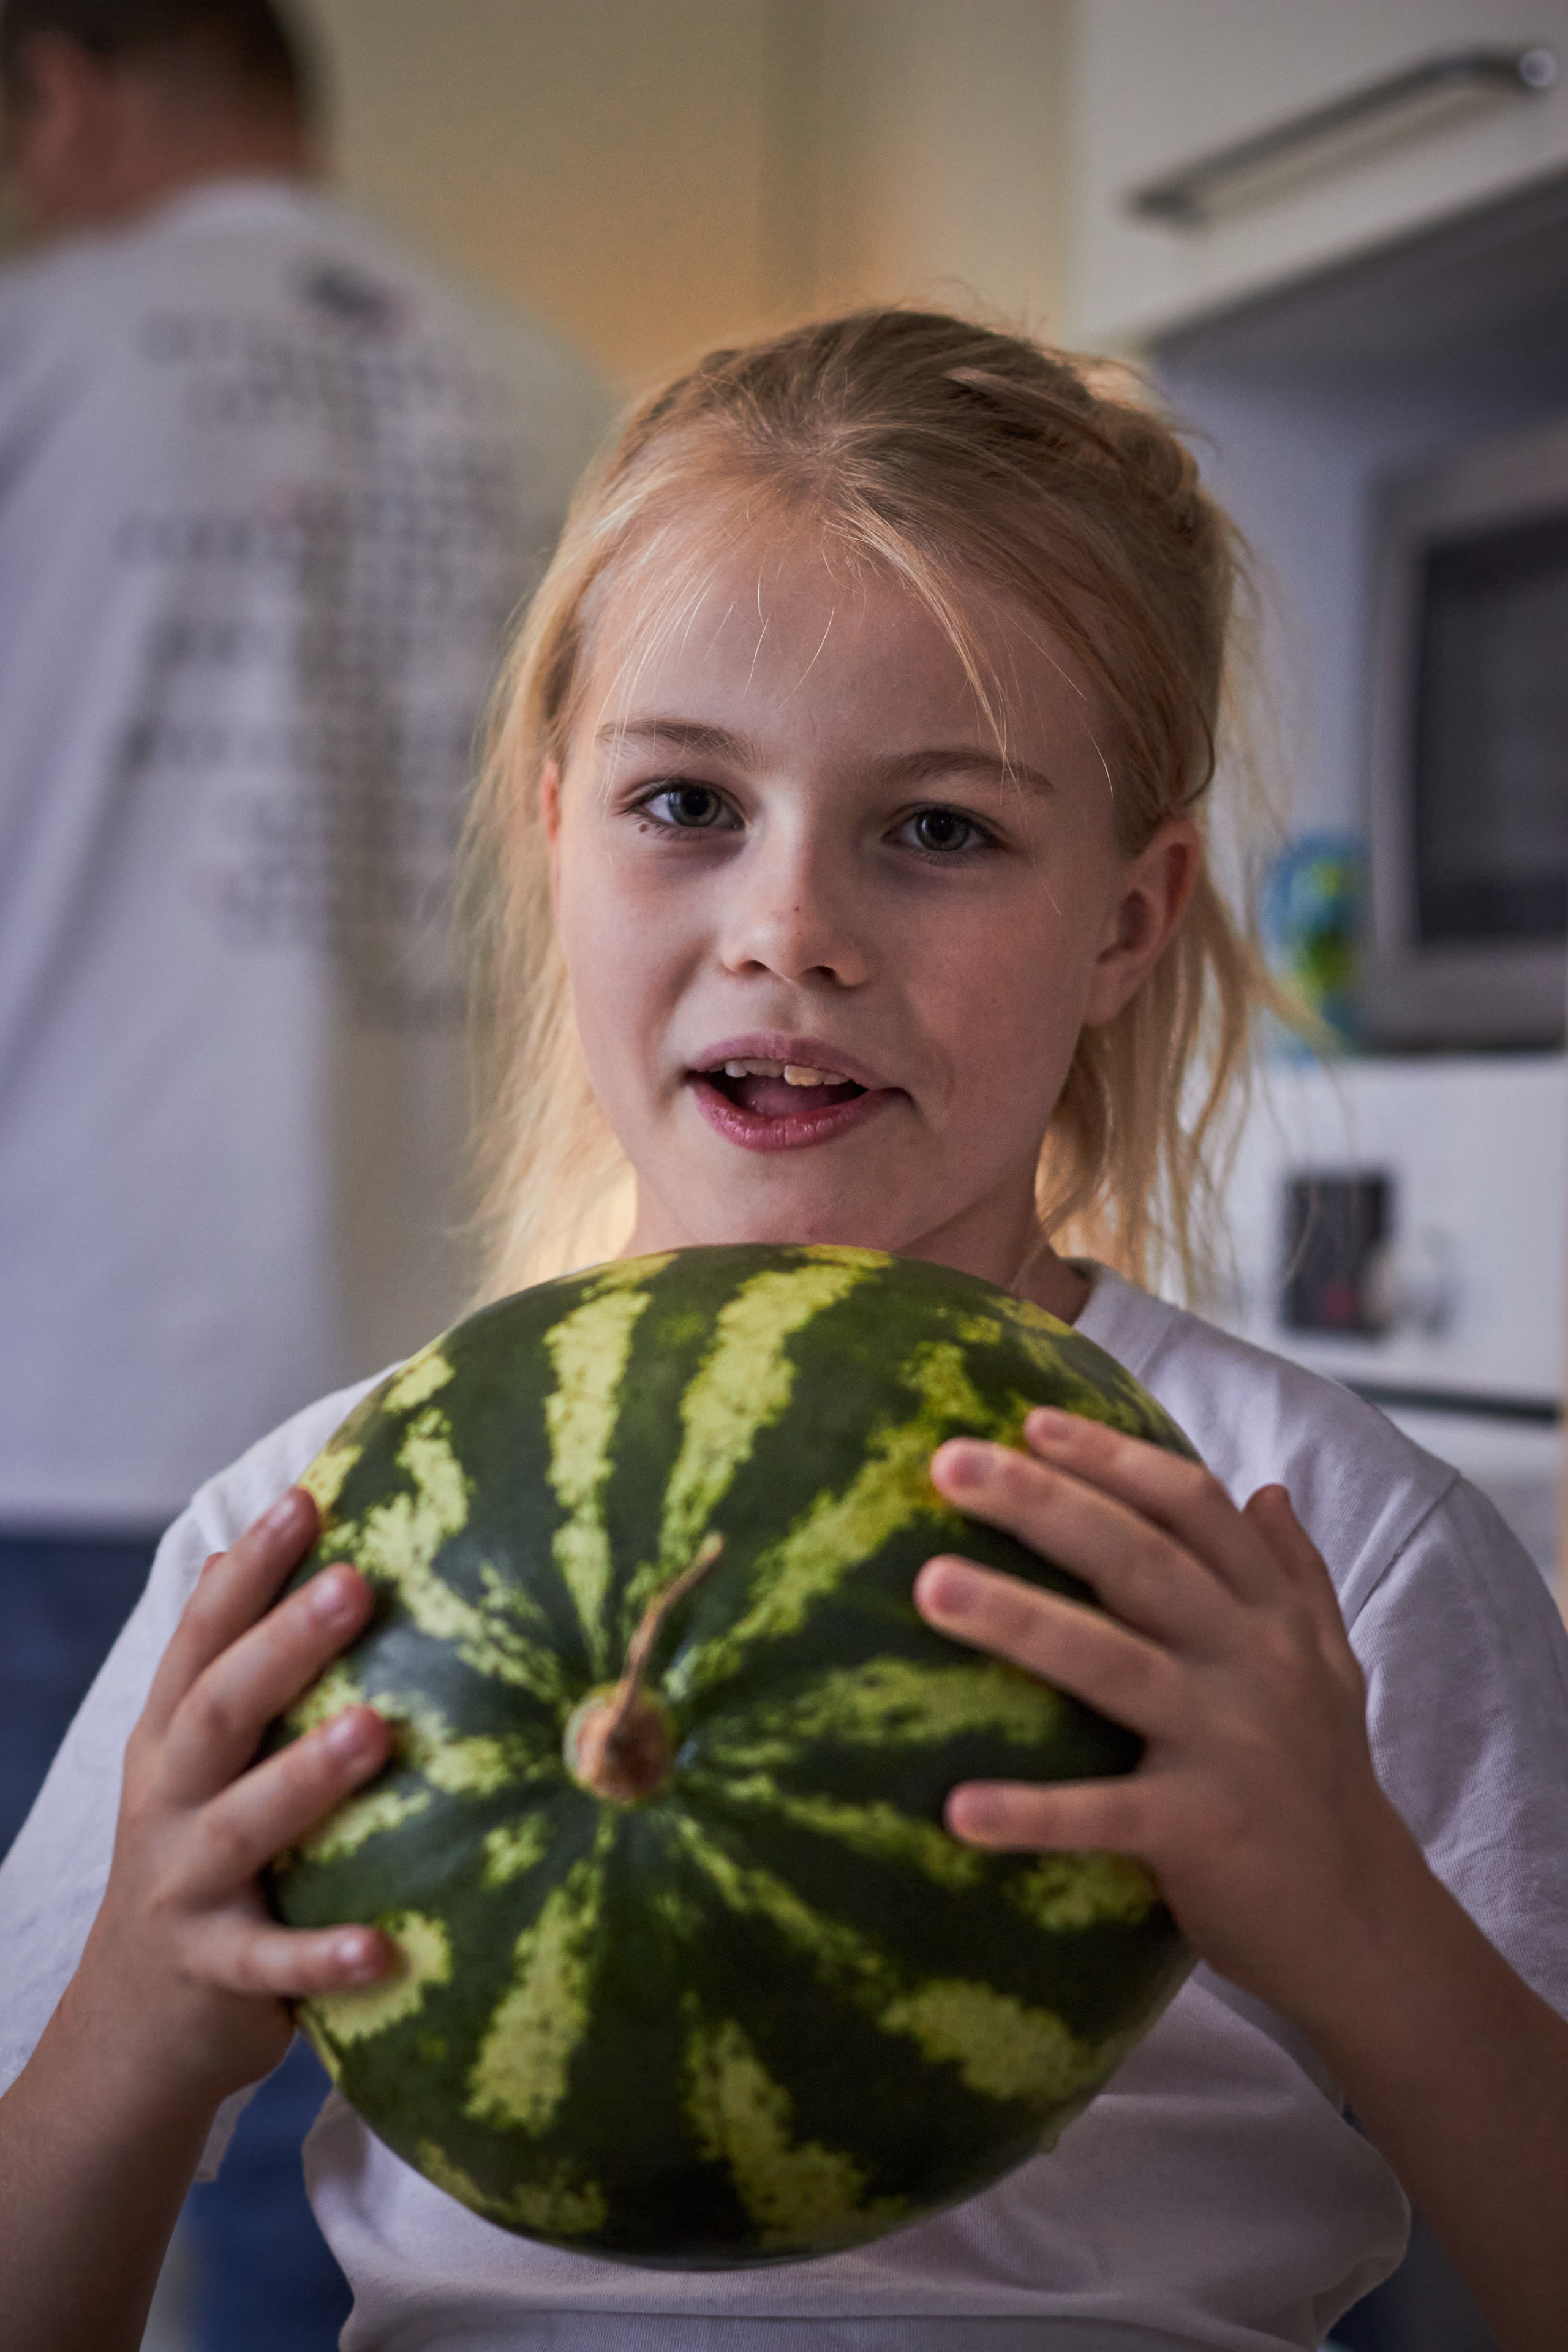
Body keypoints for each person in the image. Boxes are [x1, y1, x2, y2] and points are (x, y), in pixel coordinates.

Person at [2, 307, 1567, 2352]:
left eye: (941, 831)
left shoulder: (1315, 1553)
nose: (790, 928)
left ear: (1127, 917)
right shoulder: (302, 1547)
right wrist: (138, 2020)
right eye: (686, 806)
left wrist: (1353, 1908)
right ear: (553, 827)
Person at [0, 0, 609, 2342]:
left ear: (58, 81)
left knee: (71, 2120)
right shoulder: (555, 391)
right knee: (340, 2121)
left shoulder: (41, 353)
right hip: (437, 1430)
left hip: (50, 1390)